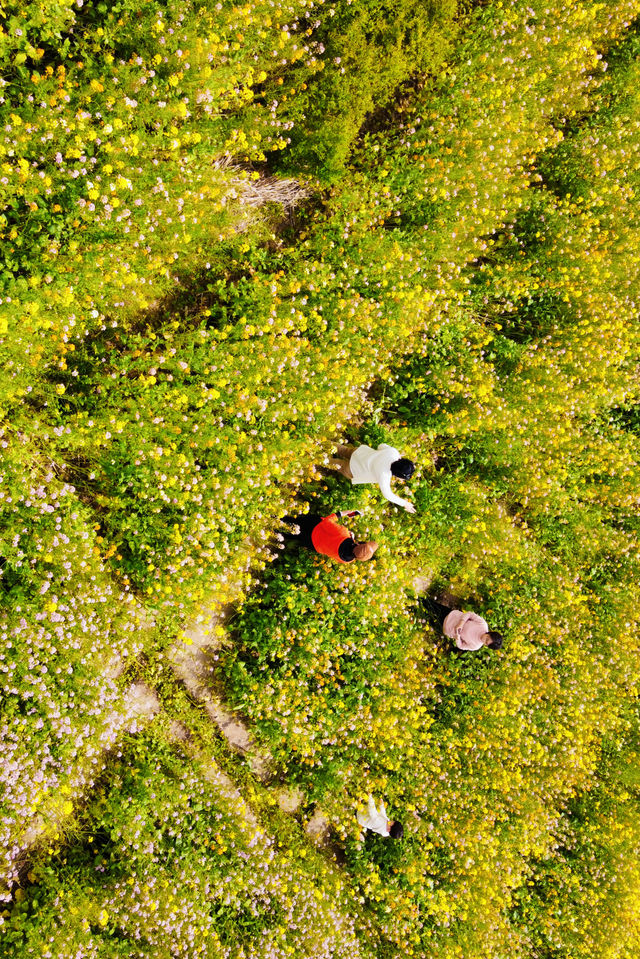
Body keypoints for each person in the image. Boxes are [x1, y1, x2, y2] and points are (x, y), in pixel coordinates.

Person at [330, 443, 417, 513]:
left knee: (342, 449)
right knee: (334, 463)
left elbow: (381, 445)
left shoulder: (393, 452)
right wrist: (405, 503)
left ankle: (321, 443)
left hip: (360, 454)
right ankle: (319, 458)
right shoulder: (384, 474)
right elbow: (388, 494)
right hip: (353, 469)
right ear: (397, 474)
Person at [282, 510, 378, 563]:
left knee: (292, 521)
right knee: (290, 533)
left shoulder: (342, 533)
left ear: (359, 543)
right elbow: (348, 549)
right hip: (312, 544)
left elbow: (327, 521)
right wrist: (351, 539)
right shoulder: (347, 560)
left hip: (313, 527)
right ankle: (276, 529)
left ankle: (279, 517)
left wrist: (346, 513)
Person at [424, 598, 504, 652]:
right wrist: (461, 623)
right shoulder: (483, 625)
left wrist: (457, 636)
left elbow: (461, 646)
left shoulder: (475, 646)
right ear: (489, 633)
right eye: (487, 638)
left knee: (426, 616)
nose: (484, 640)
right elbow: (470, 614)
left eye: (486, 643)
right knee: (429, 603)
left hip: (446, 628)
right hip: (451, 615)